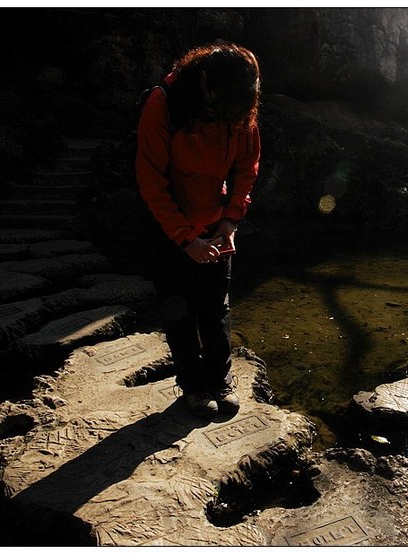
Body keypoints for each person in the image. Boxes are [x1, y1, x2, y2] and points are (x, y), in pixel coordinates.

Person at [136, 43, 261, 418]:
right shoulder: (163, 104)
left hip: (213, 221)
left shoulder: (240, 107)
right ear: (206, 86)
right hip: (169, 227)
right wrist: (185, 239)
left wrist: (230, 221)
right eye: (221, 110)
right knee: (179, 310)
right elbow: (151, 181)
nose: (229, 117)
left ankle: (220, 380)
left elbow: (246, 168)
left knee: (215, 307)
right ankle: (192, 385)